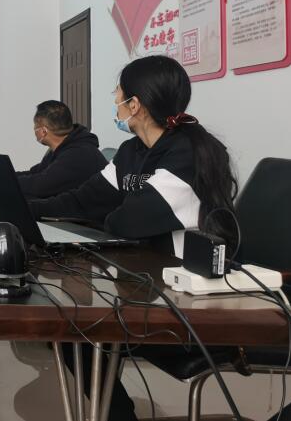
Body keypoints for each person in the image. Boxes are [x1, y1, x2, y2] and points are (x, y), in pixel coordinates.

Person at [33, 55, 238, 421]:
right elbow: (84, 200)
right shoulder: (132, 152)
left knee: (77, 327)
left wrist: (107, 213)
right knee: (69, 328)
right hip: (146, 285)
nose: (115, 100)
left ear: (135, 105)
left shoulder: (188, 154)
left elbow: (127, 221)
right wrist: (21, 208)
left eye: (118, 93)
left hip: (189, 303)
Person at [0, 101, 106, 216]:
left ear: (43, 131)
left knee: (12, 204)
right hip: (68, 208)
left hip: (89, 223)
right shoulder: (64, 147)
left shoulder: (79, 154)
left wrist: (1, 185)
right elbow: (35, 173)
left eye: (35, 127)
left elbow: (40, 185)